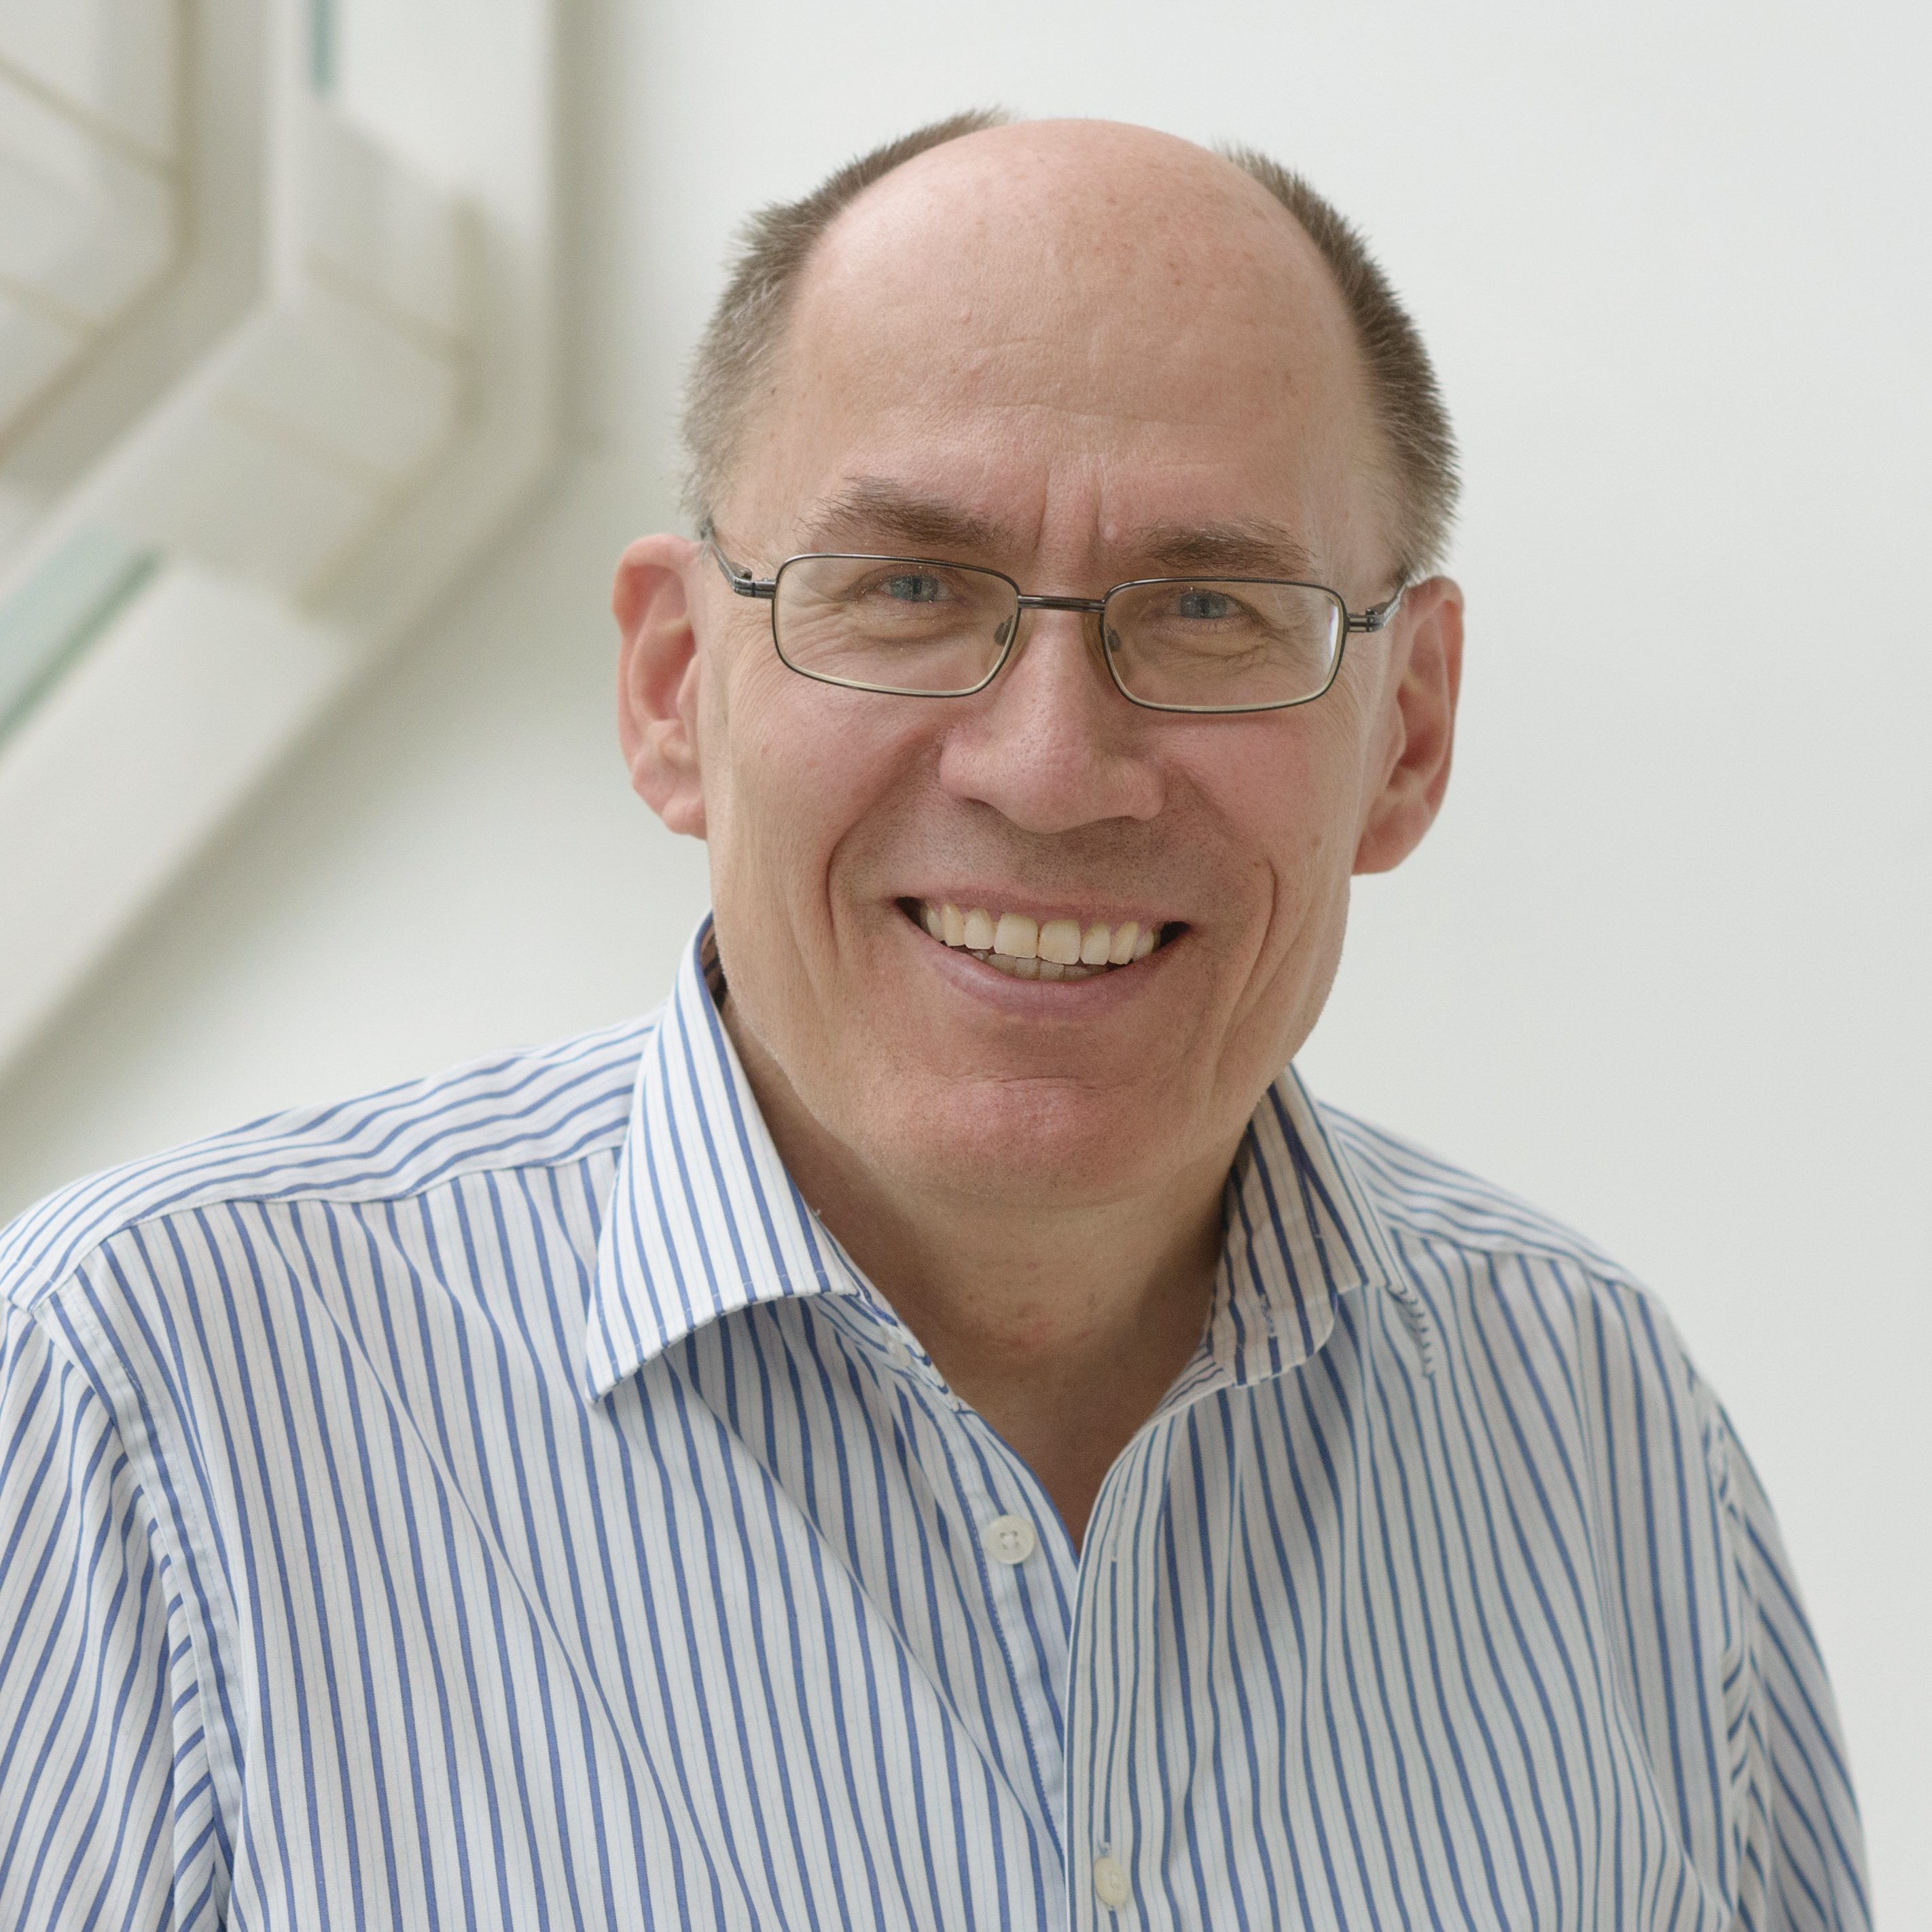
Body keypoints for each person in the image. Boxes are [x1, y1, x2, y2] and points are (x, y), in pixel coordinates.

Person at [0, 112, 1866, 1930]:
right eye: (905, 589)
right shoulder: (139, 1409)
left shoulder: (1606, 1425)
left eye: (1209, 607)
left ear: (1410, 732)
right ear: (672, 687)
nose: (1051, 769)